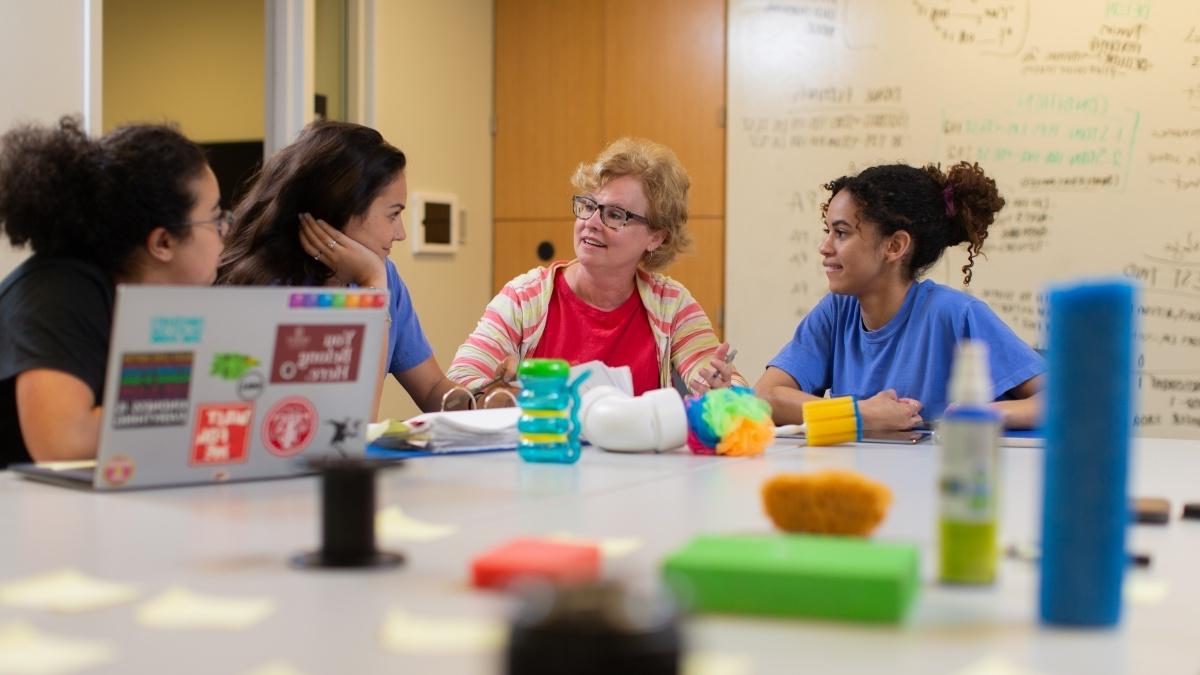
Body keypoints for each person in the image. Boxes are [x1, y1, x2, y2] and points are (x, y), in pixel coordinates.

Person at [0, 117, 226, 467]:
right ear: (163, 242)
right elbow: (63, 442)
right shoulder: (57, 294)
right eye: (214, 218)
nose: (224, 232)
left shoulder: (142, 300)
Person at [755, 162, 1043, 430]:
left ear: (894, 246)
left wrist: (983, 414)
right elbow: (765, 397)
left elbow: (1061, 400)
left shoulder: (955, 313)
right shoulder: (836, 311)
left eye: (841, 233)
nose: (824, 246)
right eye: (827, 230)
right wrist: (863, 414)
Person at [449, 137, 741, 398]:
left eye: (614, 215)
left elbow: (733, 388)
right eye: (588, 206)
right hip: (544, 453)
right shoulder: (524, 298)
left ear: (656, 237)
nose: (590, 223)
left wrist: (719, 387)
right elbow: (458, 384)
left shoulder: (671, 305)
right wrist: (507, 387)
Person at [218, 121, 457, 414]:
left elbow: (433, 389)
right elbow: (350, 424)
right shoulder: (274, 292)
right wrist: (372, 287)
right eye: (393, 215)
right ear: (342, 209)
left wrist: (490, 401)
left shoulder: (385, 275)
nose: (400, 233)